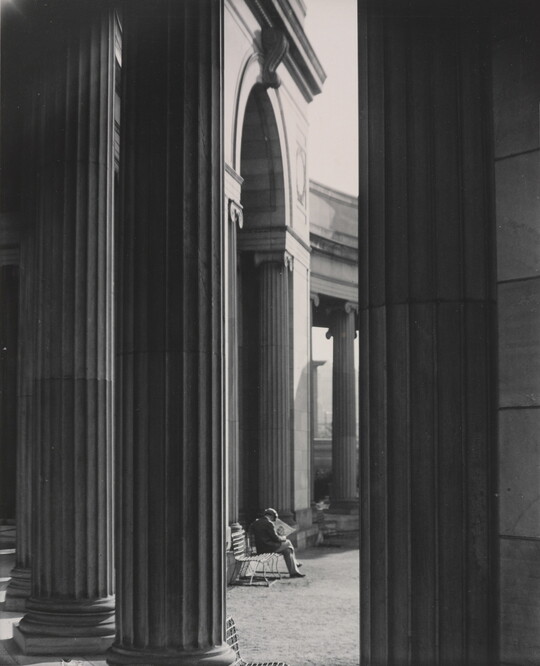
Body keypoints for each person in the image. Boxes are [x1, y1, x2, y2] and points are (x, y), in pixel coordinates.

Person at [250, 508, 305, 578]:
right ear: (272, 516)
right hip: (268, 548)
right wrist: (283, 537)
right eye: (274, 518)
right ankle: (296, 563)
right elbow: (276, 538)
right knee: (288, 542)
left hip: (260, 548)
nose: (274, 520)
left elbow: (264, 536)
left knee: (287, 551)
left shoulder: (256, 522)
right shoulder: (269, 523)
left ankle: (294, 572)